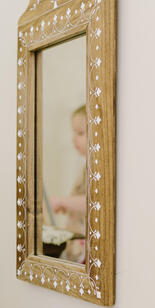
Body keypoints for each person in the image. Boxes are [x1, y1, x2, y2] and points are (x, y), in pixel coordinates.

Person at [50, 105, 87, 263]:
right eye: (74, 133)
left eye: (80, 133)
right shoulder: (86, 168)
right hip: (76, 247)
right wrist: (68, 206)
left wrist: (63, 201)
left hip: (86, 250)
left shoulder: (98, 171)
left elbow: (94, 202)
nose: (73, 139)